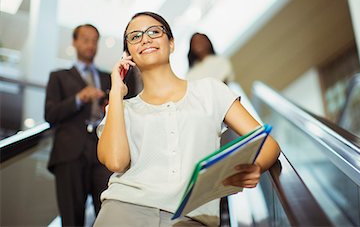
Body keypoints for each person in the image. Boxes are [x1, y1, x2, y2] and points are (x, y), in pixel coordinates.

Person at [94, 12, 281, 226]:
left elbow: (269, 145)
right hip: (122, 212)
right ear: (128, 55)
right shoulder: (122, 108)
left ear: (171, 43)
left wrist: (254, 167)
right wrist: (116, 92)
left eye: (154, 32)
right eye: (135, 37)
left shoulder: (210, 90)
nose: (145, 39)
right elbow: (115, 161)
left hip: (191, 218)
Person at [45, 24, 112, 226]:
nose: (90, 44)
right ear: (74, 41)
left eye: (94, 40)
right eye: (85, 39)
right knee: (72, 218)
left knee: (108, 212)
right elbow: (50, 114)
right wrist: (78, 98)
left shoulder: (108, 78)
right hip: (69, 154)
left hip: (102, 154)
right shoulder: (59, 77)